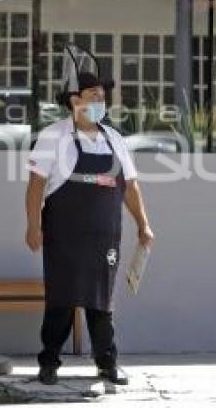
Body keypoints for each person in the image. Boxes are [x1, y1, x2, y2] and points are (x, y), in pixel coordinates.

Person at [25, 70, 154, 386]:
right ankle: (49, 363)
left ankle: (107, 364)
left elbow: (130, 186)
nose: (100, 100)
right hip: (63, 233)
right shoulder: (53, 136)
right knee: (62, 300)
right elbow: (35, 185)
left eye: (102, 95)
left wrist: (144, 225)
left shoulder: (114, 138)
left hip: (104, 235)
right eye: (93, 94)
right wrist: (32, 226)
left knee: (102, 301)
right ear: (74, 100)